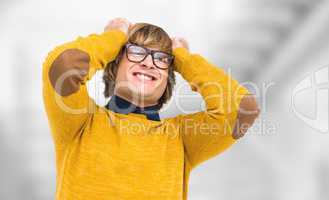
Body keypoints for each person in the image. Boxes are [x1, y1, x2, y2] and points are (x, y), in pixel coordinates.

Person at [42, 18, 260, 200]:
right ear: (114, 65)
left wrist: (184, 59)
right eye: (136, 52)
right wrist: (114, 37)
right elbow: (63, 65)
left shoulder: (180, 139)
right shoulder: (80, 121)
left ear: (168, 77)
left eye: (161, 58)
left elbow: (241, 109)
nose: (149, 63)